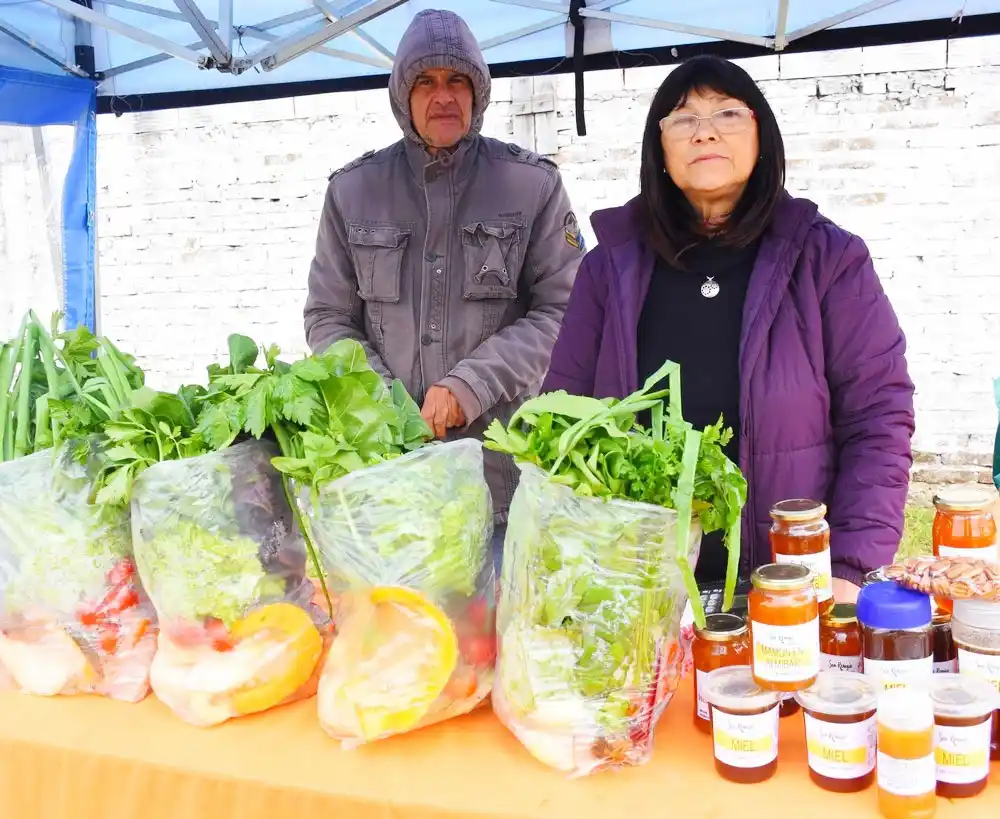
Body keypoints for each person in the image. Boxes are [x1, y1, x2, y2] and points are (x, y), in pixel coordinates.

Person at [541, 55, 915, 602]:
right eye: (682, 118)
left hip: (792, 585)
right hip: (640, 587)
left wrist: (852, 565)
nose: (705, 130)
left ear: (761, 135)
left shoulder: (827, 259)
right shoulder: (610, 268)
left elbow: (878, 416)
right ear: (659, 149)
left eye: (727, 113)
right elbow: (565, 416)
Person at [304, 9, 584, 567]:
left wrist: (471, 384)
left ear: (478, 91)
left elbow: (566, 311)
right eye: (425, 82)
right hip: (387, 472)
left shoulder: (532, 185)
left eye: (457, 80)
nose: (443, 97)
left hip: (501, 475)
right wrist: (385, 399)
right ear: (401, 96)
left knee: (496, 637)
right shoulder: (352, 191)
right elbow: (327, 318)